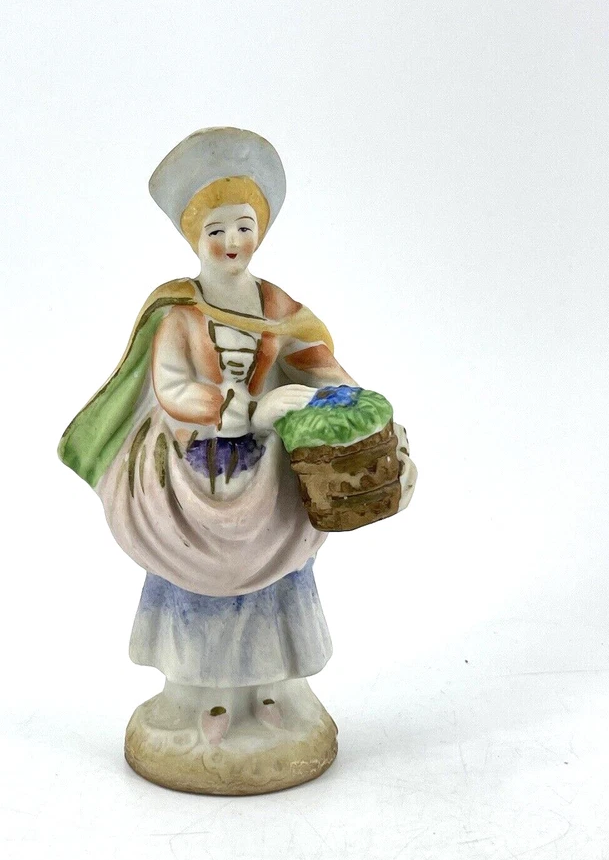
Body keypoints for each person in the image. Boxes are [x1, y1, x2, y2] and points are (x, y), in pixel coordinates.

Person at [59, 127, 409, 750]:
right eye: (216, 229)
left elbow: (319, 366)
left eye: (243, 227)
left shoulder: (278, 306)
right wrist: (249, 409)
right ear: (195, 236)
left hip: (270, 479)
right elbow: (173, 388)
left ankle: (273, 688)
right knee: (198, 576)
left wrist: (363, 414)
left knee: (277, 573)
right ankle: (201, 694)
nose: (231, 242)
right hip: (198, 469)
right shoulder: (178, 312)